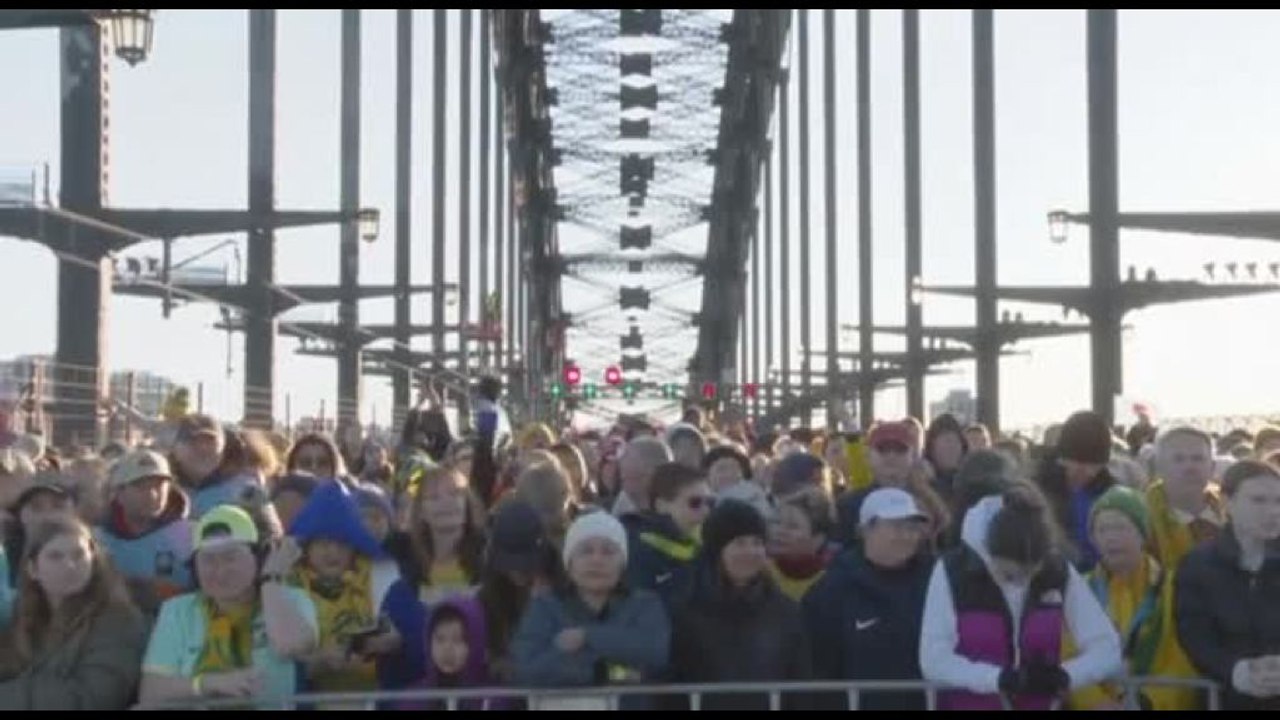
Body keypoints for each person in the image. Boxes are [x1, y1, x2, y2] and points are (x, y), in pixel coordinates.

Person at [919, 482, 1122, 710]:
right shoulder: (952, 571)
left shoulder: (1057, 571)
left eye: (1032, 574)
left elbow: (1106, 647)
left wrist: (1066, 675)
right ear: (988, 554)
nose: (1022, 584)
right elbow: (934, 659)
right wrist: (997, 679)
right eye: (1009, 575)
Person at [138, 505, 319, 708]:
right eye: (208, 560)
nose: (220, 571)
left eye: (230, 558)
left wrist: (271, 579)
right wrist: (210, 684)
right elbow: (151, 693)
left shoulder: (291, 599)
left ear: (258, 557)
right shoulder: (177, 611)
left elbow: (291, 645)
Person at [511, 511, 669, 711]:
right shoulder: (546, 606)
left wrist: (588, 637)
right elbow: (528, 668)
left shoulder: (645, 604)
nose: (597, 560)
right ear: (569, 562)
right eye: (586, 551)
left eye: (608, 551)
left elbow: (653, 651)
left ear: (623, 562)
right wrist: (600, 670)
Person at [670, 500, 811, 710]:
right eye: (740, 543)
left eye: (757, 543)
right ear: (717, 550)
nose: (751, 552)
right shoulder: (685, 609)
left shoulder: (783, 610)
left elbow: (800, 680)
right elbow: (670, 685)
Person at [1067, 486, 1200, 711]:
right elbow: (1067, 652)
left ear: (1143, 534)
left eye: (1121, 527)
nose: (1111, 537)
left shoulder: (1174, 587)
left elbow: (1186, 656)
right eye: (1102, 529)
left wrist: (1146, 702)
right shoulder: (1079, 589)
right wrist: (1093, 701)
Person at [804, 488, 934, 711]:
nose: (906, 535)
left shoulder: (937, 580)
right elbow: (817, 670)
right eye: (895, 526)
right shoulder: (830, 591)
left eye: (912, 527)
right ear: (865, 530)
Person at [0, 518, 146, 710]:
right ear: (33, 569)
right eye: (55, 556)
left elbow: (94, 697)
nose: (70, 565)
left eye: (79, 555)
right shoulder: (22, 617)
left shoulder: (118, 620)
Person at [1175, 460, 1280, 710]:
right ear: (1227, 503)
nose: (1273, 511)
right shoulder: (1197, 565)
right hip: (1225, 697)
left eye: (1278, 501)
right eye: (1258, 500)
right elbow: (1194, 635)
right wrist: (1237, 671)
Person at [96, 449, 195, 616]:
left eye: (159, 485)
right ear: (119, 493)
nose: (152, 494)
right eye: (140, 486)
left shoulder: (190, 535)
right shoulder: (98, 540)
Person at [625, 462, 712, 611]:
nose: (705, 511)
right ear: (661, 505)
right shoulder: (637, 547)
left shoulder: (704, 545)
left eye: (710, 503)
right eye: (695, 503)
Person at [398, 597, 507, 711]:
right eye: (440, 639)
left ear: (477, 643)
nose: (447, 649)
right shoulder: (414, 699)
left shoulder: (492, 698)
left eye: (458, 640)